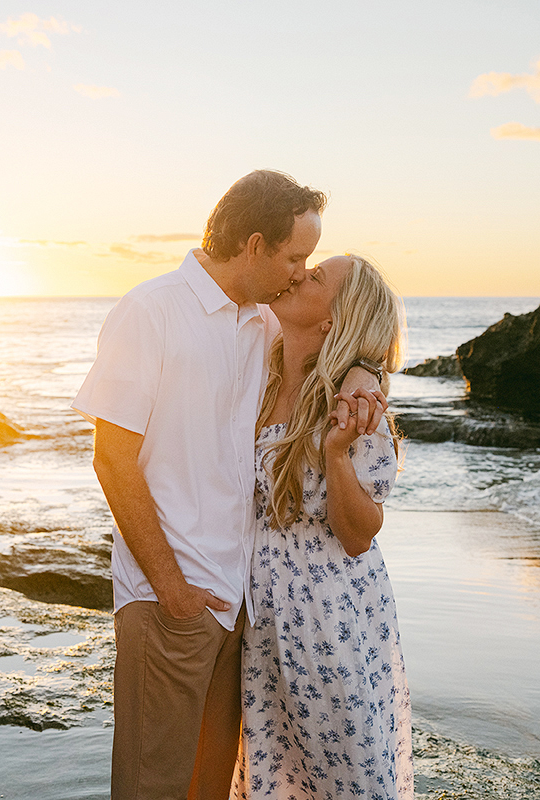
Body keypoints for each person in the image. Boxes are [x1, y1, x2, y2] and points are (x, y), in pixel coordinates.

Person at [71, 171, 386, 800]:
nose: (300, 273)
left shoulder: (261, 326)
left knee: (210, 789)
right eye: (295, 257)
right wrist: (169, 587)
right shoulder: (151, 312)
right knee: (150, 787)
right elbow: (113, 459)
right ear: (255, 245)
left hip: (241, 609)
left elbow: (332, 338)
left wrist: (359, 372)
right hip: (172, 599)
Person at [232, 254, 412, 798]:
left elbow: (360, 535)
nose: (297, 275)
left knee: (345, 777)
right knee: (275, 775)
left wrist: (335, 455)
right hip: (262, 616)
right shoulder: (258, 364)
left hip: (327, 617)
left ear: (334, 318)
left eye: (314, 278)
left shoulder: (353, 404)